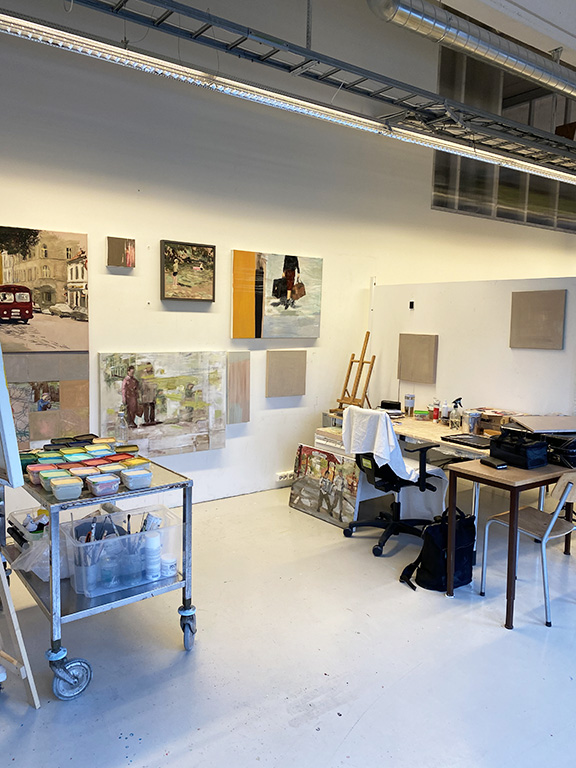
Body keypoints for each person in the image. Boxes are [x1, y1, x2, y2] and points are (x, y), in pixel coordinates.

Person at [140, 361, 158, 426]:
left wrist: (154, 387)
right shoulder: (144, 375)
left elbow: (155, 383)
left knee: (152, 406)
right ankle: (146, 420)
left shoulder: (153, 375)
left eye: (149, 367)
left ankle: (152, 419)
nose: (148, 368)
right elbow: (144, 385)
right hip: (146, 393)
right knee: (146, 407)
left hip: (152, 393)